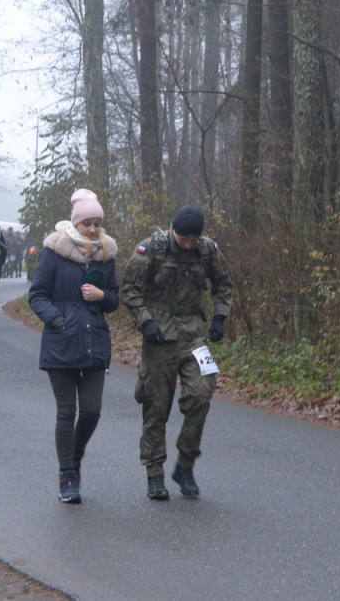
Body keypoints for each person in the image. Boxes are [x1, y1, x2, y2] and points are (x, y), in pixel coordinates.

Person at [120, 204, 233, 500]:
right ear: (173, 230)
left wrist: (220, 317)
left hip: (194, 333)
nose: (187, 244)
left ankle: (185, 465)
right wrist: (145, 322)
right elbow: (129, 288)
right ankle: (154, 472)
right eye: (183, 239)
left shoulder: (207, 250)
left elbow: (224, 283)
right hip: (159, 335)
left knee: (202, 392)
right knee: (156, 405)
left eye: (192, 240)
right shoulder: (151, 249)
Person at [28, 189, 119, 503]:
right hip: (61, 343)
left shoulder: (106, 255)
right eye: (87, 224)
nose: (93, 230)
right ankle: (67, 475)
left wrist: (102, 297)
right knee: (67, 413)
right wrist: (57, 319)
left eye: (97, 223)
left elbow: (114, 300)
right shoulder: (54, 252)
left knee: (92, 411)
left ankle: (74, 455)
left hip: (95, 343)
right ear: (75, 224)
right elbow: (37, 295)